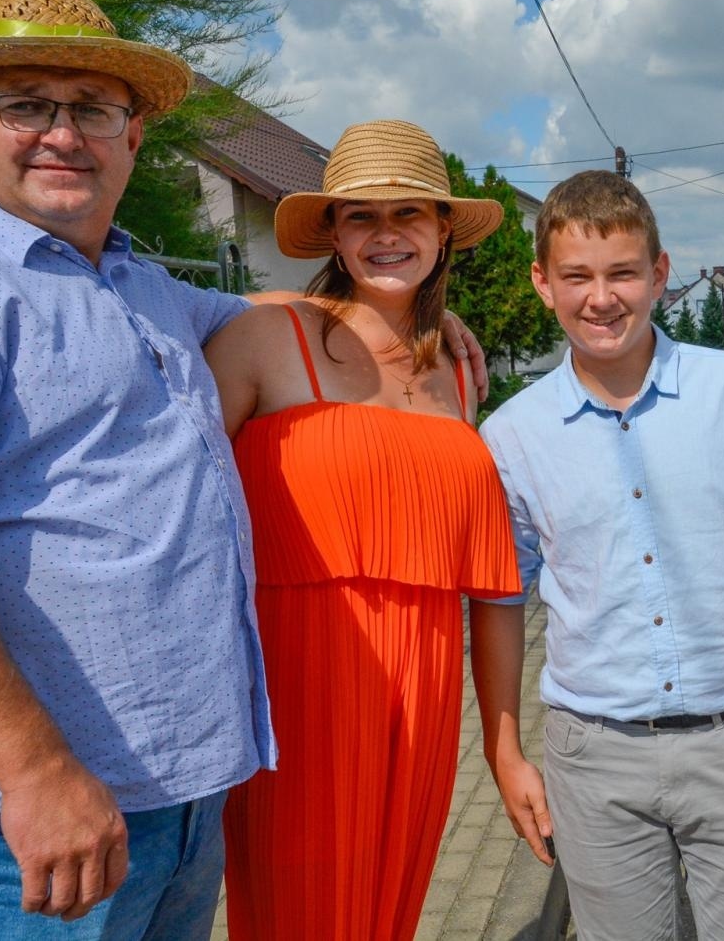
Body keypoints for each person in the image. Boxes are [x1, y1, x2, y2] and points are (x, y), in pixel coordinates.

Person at [0, 0, 273, 939]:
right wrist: (35, 770)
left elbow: (292, 326)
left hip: (173, 800)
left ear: (132, 137)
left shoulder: (145, 285)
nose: (63, 133)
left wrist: (417, 319)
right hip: (15, 823)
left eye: (92, 108)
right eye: (23, 103)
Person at [474, 170, 724, 941]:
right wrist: (503, 749)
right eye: (576, 275)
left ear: (659, 274)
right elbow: (501, 596)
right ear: (543, 283)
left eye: (622, 273)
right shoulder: (510, 435)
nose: (600, 297)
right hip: (595, 756)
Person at [206, 119, 521, 940]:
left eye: (409, 214)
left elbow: (488, 582)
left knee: (390, 912)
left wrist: (506, 741)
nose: (387, 235)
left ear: (443, 230)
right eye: (360, 217)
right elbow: (178, 506)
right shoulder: (264, 335)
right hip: (297, 684)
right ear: (334, 236)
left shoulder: (457, 367)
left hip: (423, 692)